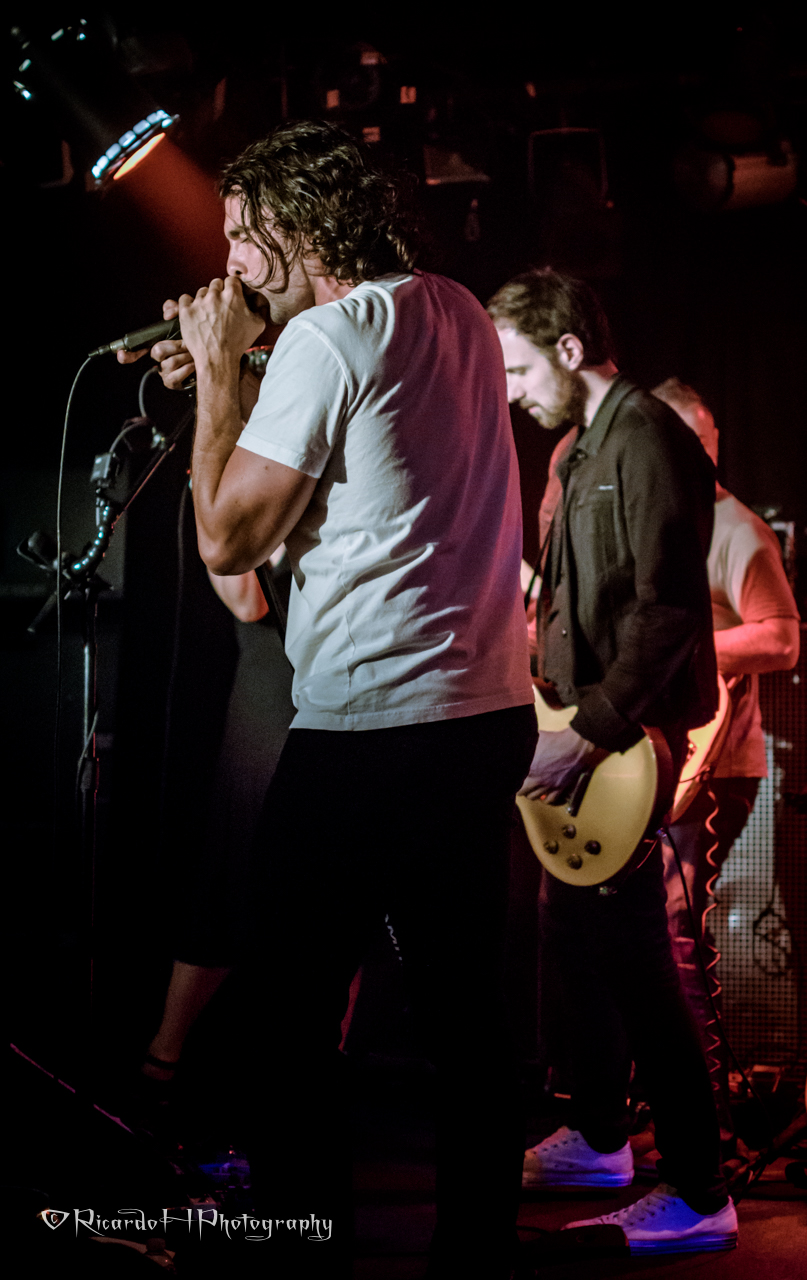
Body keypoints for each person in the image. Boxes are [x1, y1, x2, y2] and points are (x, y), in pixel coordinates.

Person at [133, 120, 536, 1277]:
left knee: (285, 1020)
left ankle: (303, 1255)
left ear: (298, 228)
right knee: (467, 1024)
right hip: (483, 716)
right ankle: (475, 1259)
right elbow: (369, 429)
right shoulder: (454, 309)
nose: (228, 263)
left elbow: (227, 539)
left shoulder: (322, 335)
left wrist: (222, 374)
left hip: (372, 727)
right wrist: (249, 372)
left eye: (241, 235)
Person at [488, 268, 738, 1255]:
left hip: (621, 742)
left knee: (635, 958)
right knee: (573, 940)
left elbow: (668, 612)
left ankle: (700, 1187)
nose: (510, 391)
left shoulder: (646, 437)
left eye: (517, 369)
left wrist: (585, 730)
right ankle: (599, 1137)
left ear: (566, 349)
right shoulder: (582, 446)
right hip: (583, 732)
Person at [651, 378, 800, 1158]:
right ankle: (654, 1111)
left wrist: (675, 652)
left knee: (676, 930)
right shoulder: (658, 525)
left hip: (715, 767)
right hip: (654, 760)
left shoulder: (735, 529)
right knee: (640, 931)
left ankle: (701, 1130)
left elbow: (780, 638)